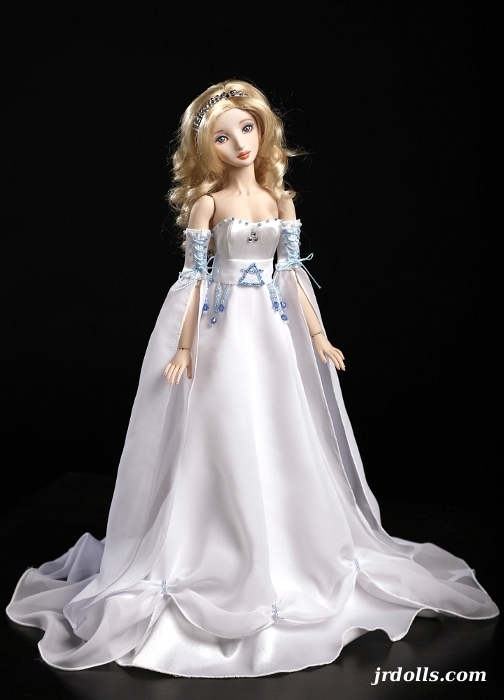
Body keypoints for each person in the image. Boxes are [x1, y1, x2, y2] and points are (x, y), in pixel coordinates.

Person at [7, 80, 498, 678]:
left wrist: (318, 336)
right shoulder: (208, 205)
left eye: (247, 129)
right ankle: (213, 545)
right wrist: (183, 345)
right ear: (205, 148)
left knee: (279, 426)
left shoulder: (278, 200)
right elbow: (193, 278)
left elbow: (292, 273)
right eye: (223, 136)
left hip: (270, 329)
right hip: (221, 329)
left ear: (263, 132)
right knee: (221, 428)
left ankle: (287, 545)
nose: (239, 143)